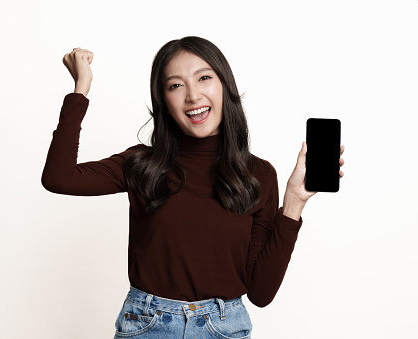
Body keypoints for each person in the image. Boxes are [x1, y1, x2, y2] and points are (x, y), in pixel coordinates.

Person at [42, 36, 345, 339]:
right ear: (164, 102)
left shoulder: (258, 175)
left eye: (204, 78)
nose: (193, 95)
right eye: (176, 85)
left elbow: (261, 293)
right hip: (148, 325)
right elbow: (59, 177)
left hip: (225, 328)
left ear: (224, 85)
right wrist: (80, 88)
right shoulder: (141, 165)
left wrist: (294, 202)